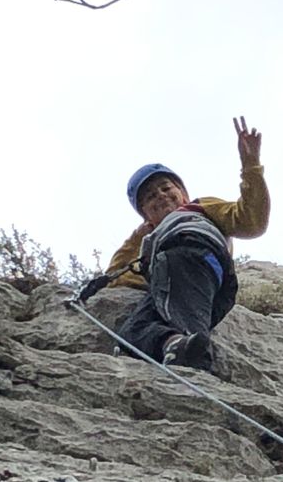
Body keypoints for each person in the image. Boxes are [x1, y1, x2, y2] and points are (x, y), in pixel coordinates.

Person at [106, 116, 270, 371]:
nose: (160, 195)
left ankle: (195, 364)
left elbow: (252, 221)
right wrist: (140, 234)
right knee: (130, 335)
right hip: (186, 283)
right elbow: (117, 278)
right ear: (145, 214)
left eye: (165, 188)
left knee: (186, 322)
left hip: (191, 255)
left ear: (183, 193)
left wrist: (251, 167)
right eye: (149, 197)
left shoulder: (200, 208)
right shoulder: (150, 238)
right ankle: (173, 346)